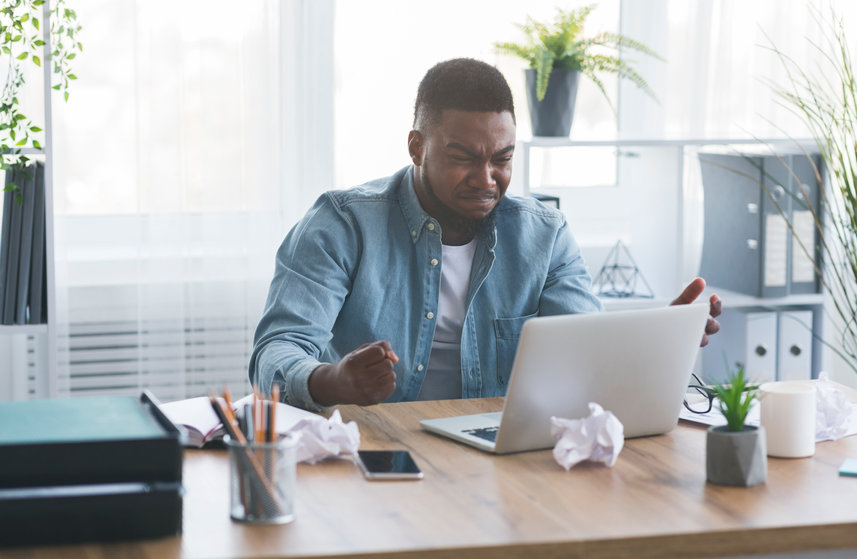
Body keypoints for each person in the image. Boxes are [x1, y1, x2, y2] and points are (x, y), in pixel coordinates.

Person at [249, 58, 721, 412]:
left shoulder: (544, 236)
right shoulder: (343, 224)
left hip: (499, 454)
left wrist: (660, 340)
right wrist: (332, 380)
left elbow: (587, 354)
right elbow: (275, 352)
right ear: (417, 146)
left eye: (502, 158)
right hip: (371, 450)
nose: (486, 178)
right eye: (463, 157)